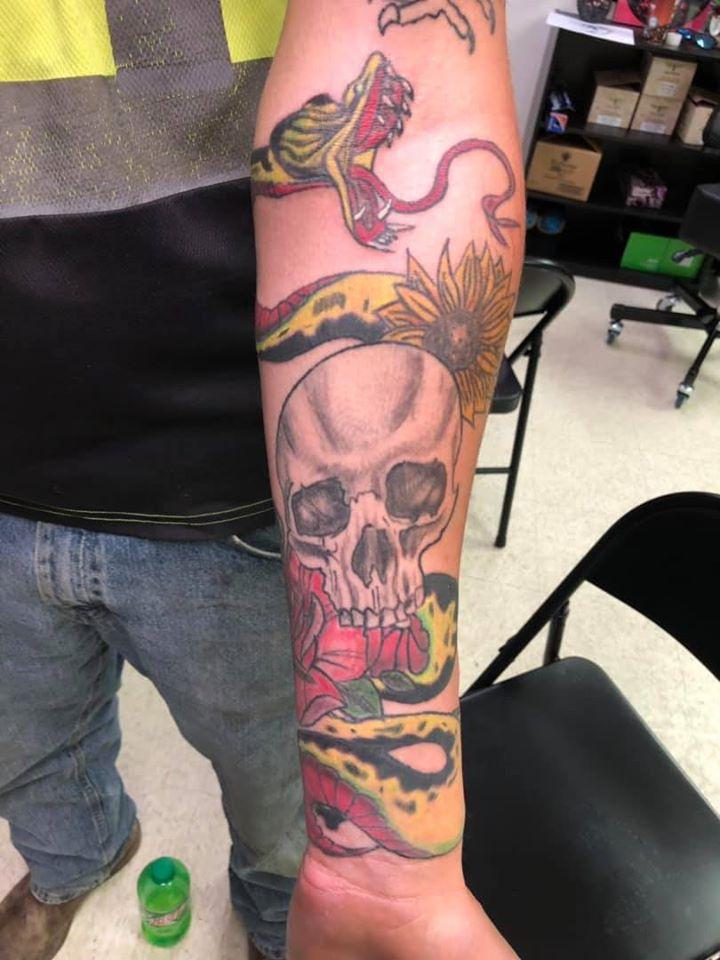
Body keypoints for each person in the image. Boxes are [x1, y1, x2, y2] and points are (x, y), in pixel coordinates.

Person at [0, 2, 524, 958]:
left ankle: (285, 914)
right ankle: (76, 856)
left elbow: (415, 120)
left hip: (229, 488)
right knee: (24, 740)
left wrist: (381, 873)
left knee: (276, 786)